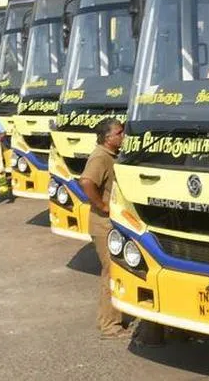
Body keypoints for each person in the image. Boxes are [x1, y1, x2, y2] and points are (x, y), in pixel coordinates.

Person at [78, 117, 129, 340]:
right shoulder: (100, 157)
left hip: (112, 225)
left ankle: (108, 320)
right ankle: (110, 325)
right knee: (112, 273)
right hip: (104, 225)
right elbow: (86, 182)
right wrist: (102, 205)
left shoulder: (112, 155)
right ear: (108, 138)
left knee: (113, 272)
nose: (123, 136)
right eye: (119, 133)